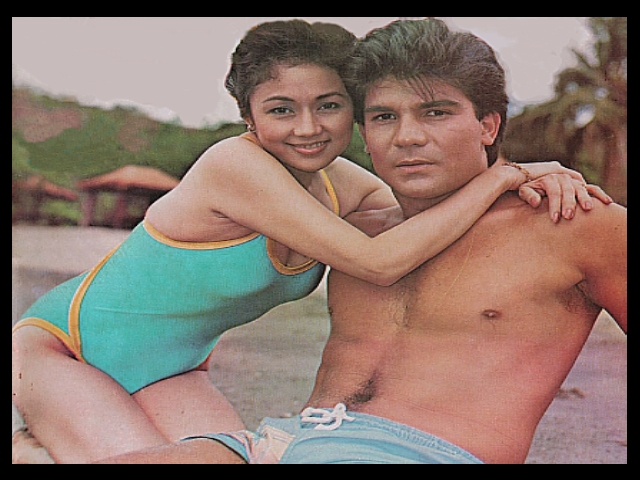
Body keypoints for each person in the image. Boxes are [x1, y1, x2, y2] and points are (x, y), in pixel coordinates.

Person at [97, 18, 626, 465]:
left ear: (488, 126)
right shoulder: (356, 229)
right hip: (283, 443)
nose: (407, 137)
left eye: (436, 112)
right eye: (383, 117)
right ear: (364, 134)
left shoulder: (572, 223)